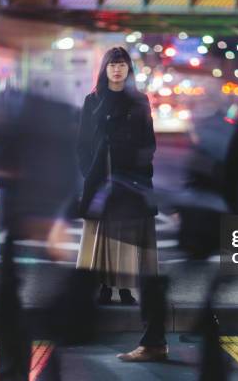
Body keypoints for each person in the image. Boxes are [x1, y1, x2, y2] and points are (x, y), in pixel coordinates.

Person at [76, 46, 167, 361]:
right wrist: (92, 174)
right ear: (105, 69)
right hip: (102, 185)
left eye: (122, 64)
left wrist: (139, 172)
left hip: (133, 187)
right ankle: (99, 295)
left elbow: (148, 142)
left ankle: (147, 327)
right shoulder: (93, 101)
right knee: (97, 246)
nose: (117, 69)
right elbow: (83, 144)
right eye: (112, 64)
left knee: (141, 256)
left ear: (129, 69)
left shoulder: (139, 101)